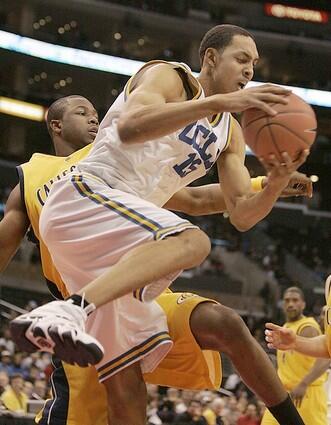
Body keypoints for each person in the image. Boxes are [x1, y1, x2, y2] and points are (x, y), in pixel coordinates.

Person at [11, 24, 310, 424]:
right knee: (191, 241)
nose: (250, 70)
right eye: (242, 59)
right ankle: (70, 309)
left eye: (255, 64)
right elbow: (131, 126)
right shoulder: (170, 76)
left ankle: (72, 310)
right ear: (210, 58)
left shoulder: (230, 133)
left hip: (116, 239)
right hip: (85, 196)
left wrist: (271, 184)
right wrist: (214, 103)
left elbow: (240, 213)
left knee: (126, 384)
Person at [262, 286, 329, 425]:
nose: (291, 304)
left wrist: (304, 384)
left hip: (306, 394)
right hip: (283, 394)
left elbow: (325, 358)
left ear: (303, 304)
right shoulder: (285, 327)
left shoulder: (307, 326)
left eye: (295, 300)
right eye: (287, 300)